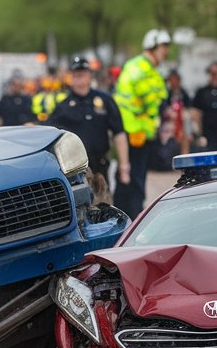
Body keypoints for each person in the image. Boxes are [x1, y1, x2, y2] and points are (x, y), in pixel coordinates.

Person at [47, 56, 128, 205]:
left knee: (104, 207)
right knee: (81, 209)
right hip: (75, 170)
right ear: (71, 77)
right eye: (76, 75)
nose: (80, 79)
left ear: (90, 75)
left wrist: (124, 166)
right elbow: (51, 138)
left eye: (83, 74)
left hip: (100, 167)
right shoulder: (63, 107)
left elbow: (119, 133)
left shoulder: (104, 100)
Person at [113, 28, 170, 218]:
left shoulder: (150, 69)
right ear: (152, 46)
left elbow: (162, 96)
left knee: (137, 178)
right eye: (163, 46)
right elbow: (152, 98)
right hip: (133, 132)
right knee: (132, 180)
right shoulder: (139, 68)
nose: (166, 51)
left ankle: (130, 216)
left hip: (142, 133)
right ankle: (130, 219)